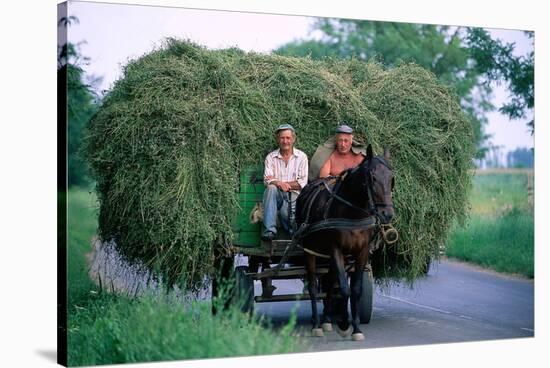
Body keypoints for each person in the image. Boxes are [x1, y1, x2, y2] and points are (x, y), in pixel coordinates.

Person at [262, 123, 308, 241]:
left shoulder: (301, 157)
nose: (285, 141)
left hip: (294, 197)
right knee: (271, 188)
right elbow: (267, 179)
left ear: (293, 139)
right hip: (276, 196)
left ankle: (293, 234)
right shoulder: (271, 157)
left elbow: (302, 182)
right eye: (282, 138)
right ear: (278, 139)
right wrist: (279, 184)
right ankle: (269, 231)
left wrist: (283, 184)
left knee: (285, 215)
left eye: (288, 138)